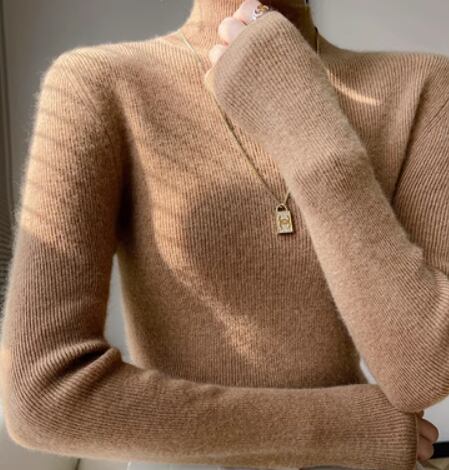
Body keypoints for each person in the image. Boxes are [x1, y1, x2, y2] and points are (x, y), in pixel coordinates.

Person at [0, 0, 445, 469]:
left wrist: (310, 128)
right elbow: (43, 395)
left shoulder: (424, 88)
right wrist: (343, 427)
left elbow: (423, 370)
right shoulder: (99, 83)